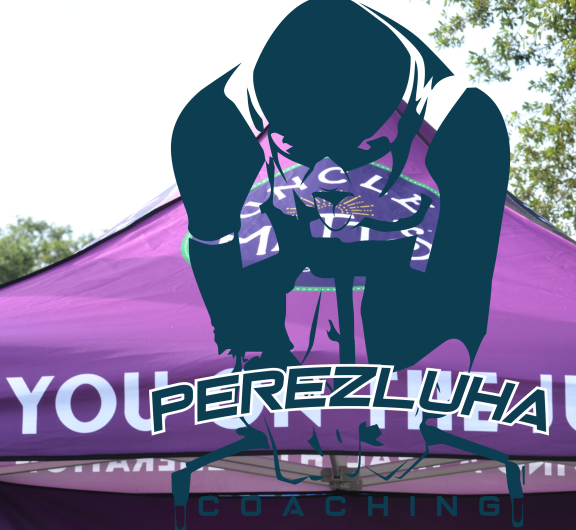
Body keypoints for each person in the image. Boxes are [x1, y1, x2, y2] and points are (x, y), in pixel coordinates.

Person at [170, 1, 523, 527]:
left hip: (408, 312)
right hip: (278, 284)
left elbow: (460, 314)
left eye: (358, 152)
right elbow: (221, 284)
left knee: (407, 321)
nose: (330, 170)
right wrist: (256, 347)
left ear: (399, 124)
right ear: (271, 127)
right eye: (304, 150)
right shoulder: (211, 128)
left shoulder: (465, 125)